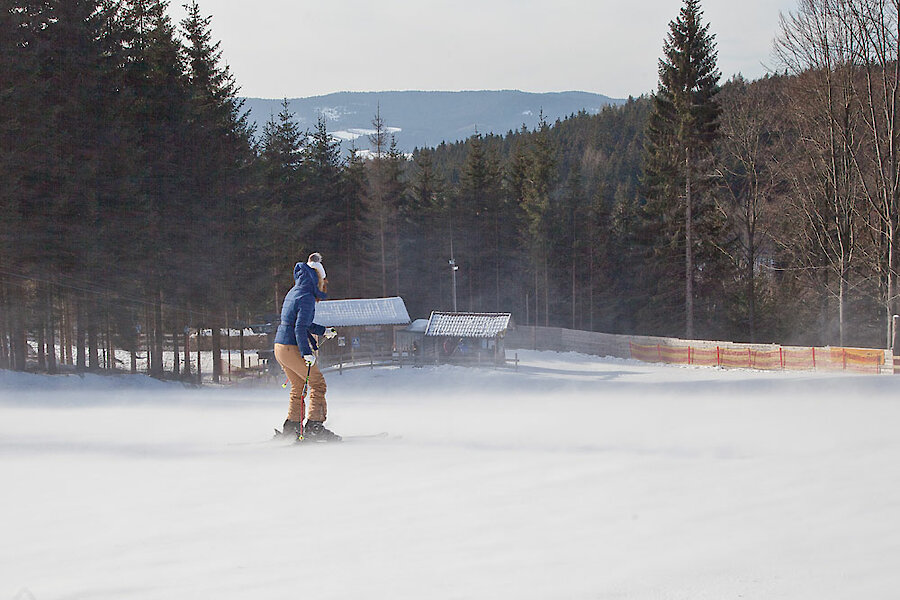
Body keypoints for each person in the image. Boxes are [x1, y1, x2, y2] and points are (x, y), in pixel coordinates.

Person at [273, 252, 340, 441]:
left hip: (280, 346)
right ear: (317, 278)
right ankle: (315, 426)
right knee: (318, 384)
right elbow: (299, 327)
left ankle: (292, 426)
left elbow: (303, 323)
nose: (324, 285)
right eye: (323, 281)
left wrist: (323, 331)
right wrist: (306, 353)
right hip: (291, 346)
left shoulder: (295, 291)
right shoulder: (307, 296)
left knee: (298, 385)